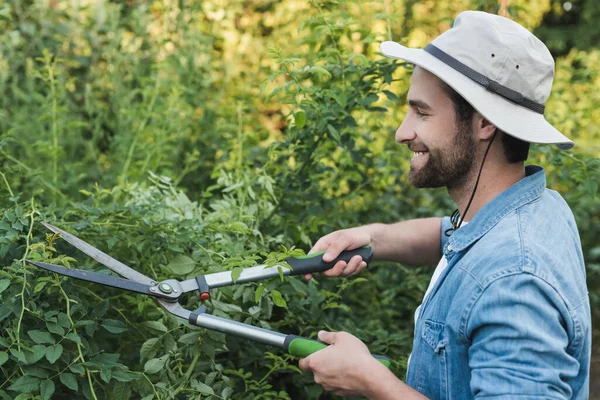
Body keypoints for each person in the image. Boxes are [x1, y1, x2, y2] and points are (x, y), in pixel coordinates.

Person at [297, 10, 591, 399]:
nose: (402, 132)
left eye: (422, 111)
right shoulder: (534, 206)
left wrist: (371, 382)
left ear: (485, 123)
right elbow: (453, 235)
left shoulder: (514, 282)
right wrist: (372, 237)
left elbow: (495, 269)